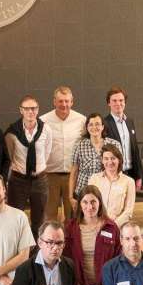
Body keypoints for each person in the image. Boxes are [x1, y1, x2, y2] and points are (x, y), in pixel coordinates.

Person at [63, 186, 121, 285]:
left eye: (93, 202)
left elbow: (118, 262)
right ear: (79, 205)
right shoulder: (69, 228)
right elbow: (64, 264)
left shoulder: (111, 227)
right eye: (85, 202)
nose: (90, 206)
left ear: (100, 203)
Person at [5, 95, 54, 235]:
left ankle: (36, 251)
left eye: (33, 108)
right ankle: (18, 250)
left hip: (40, 179)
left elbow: (47, 152)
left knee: (39, 219)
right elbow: (10, 155)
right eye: (27, 109)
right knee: (15, 218)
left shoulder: (46, 129)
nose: (30, 112)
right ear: (21, 110)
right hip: (18, 180)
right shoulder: (12, 132)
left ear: (38, 110)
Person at [41, 86, 87, 222]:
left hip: (73, 175)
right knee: (49, 215)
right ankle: (49, 242)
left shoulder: (81, 120)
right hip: (50, 175)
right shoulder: (43, 121)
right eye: (60, 101)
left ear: (72, 102)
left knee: (72, 216)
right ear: (54, 101)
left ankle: (70, 243)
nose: (64, 104)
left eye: (67, 101)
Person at [68, 113, 120, 213]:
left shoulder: (114, 144)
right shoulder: (79, 145)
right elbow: (74, 172)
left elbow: (119, 170)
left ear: (103, 127)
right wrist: (71, 197)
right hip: (82, 194)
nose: (94, 127)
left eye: (97, 124)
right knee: (81, 225)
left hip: (106, 194)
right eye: (91, 124)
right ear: (87, 127)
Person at [102, 86, 143, 189]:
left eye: (121, 100)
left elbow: (135, 150)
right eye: (114, 100)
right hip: (114, 174)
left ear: (125, 102)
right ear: (109, 103)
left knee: (129, 205)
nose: (118, 103)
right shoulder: (104, 123)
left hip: (130, 174)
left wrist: (138, 176)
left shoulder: (130, 122)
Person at [87, 144, 136, 225]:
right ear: (102, 160)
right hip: (96, 224)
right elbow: (89, 205)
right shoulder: (94, 179)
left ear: (119, 160)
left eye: (113, 158)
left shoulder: (129, 182)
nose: (109, 162)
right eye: (106, 159)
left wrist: (114, 225)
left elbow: (128, 211)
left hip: (118, 227)